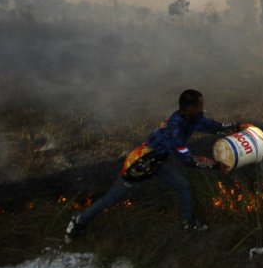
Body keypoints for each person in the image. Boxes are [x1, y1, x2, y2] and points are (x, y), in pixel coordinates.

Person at [64, 89, 240, 243]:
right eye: (200, 105)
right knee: (111, 199)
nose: (203, 107)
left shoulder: (191, 118)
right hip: (140, 163)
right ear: (191, 108)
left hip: (159, 161)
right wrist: (216, 165)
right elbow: (187, 160)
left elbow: (211, 125)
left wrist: (238, 127)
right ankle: (79, 220)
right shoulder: (175, 129)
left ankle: (189, 222)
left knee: (183, 186)